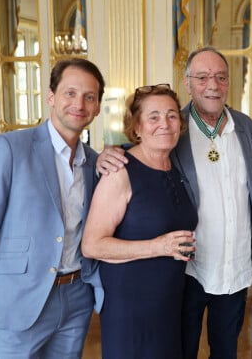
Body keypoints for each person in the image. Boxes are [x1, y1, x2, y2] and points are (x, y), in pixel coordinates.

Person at [97, 46, 252, 359]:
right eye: (202, 77)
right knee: (182, 350)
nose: (212, 84)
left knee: (227, 351)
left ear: (228, 83)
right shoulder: (174, 126)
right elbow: (139, 152)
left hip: (235, 267)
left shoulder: (245, 126)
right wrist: (102, 157)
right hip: (189, 268)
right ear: (188, 84)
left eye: (220, 77)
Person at [0, 58, 105, 358]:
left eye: (89, 97)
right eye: (70, 93)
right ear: (51, 96)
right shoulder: (8, 148)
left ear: (97, 107)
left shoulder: (95, 162)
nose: (79, 103)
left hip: (76, 297)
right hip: (17, 300)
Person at [81, 84, 198, 358]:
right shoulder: (119, 171)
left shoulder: (174, 168)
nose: (165, 124)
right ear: (137, 127)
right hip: (130, 305)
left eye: (171, 116)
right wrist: (159, 247)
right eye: (153, 117)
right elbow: (92, 245)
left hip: (169, 301)